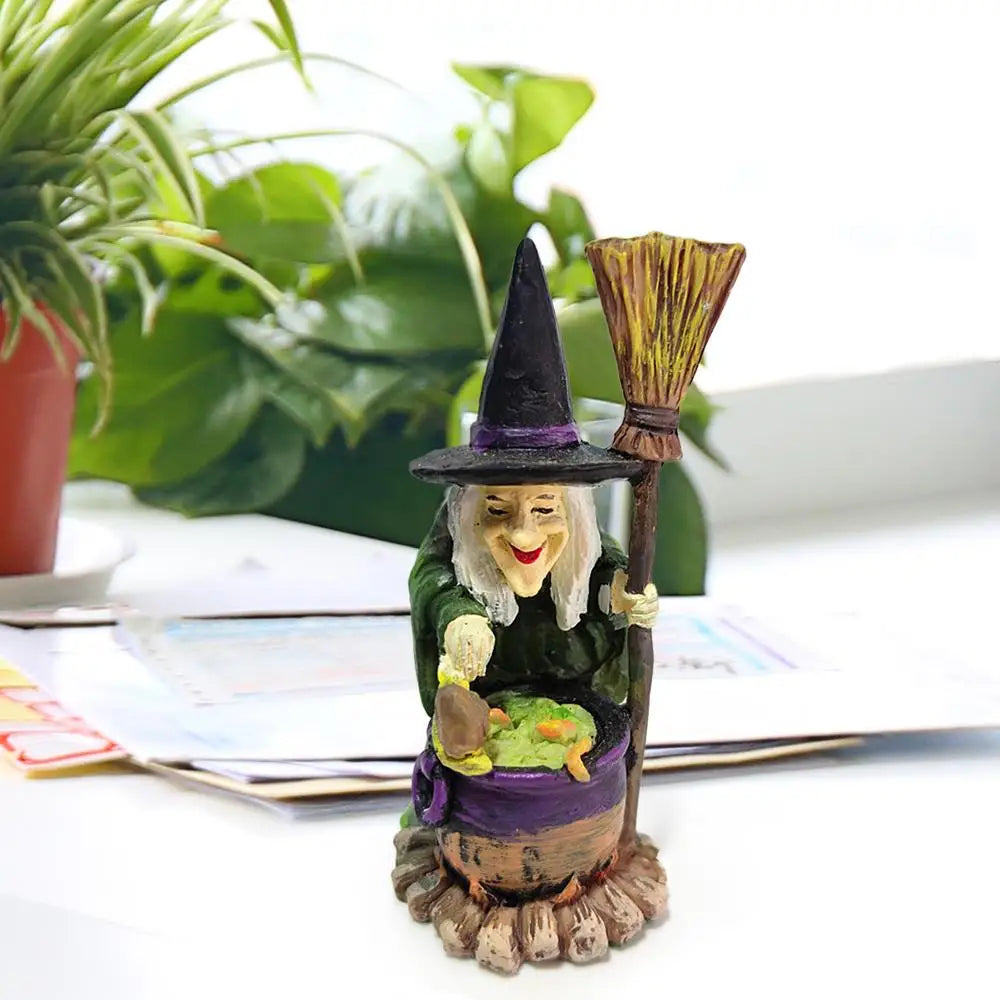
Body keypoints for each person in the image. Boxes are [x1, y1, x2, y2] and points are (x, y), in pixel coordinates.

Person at [408, 238, 658, 771]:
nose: (524, 534)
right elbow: (434, 579)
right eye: (498, 510)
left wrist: (622, 590)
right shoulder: (455, 543)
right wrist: (460, 619)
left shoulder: (583, 546)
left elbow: (603, 568)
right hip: (491, 698)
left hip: (576, 696)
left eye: (545, 508)